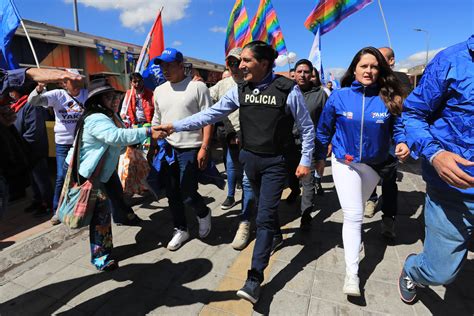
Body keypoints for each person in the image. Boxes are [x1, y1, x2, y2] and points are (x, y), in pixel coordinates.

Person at [156, 41, 315, 304]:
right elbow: (209, 115)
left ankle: (254, 279)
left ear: (264, 64)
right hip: (248, 160)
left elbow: (307, 128)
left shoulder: (288, 90)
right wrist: (175, 126)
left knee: (262, 217)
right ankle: (273, 235)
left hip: (276, 163)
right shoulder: (240, 90)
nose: (240, 65)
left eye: (246, 61)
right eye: (240, 61)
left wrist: (306, 159)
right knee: (265, 210)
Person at [315, 47, 409, 297]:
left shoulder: (390, 97)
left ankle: (354, 239)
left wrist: (402, 143)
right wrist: (317, 157)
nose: (369, 70)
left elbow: (399, 129)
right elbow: (324, 129)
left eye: (374, 66)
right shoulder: (339, 96)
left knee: (356, 210)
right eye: (364, 65)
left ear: (381, 70)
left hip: (375, 165)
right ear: (354, 68)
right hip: (344, 162)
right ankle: (352, 275)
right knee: (354, 215)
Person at [398, 36, 474, 304]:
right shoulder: (450, 61)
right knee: (441, 271)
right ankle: (413, 270)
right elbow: (413, 114)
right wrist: (436, 154)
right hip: (453, 191)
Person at [65, 78, 163, 271]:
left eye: (115, 96)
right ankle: (101, 257)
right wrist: (149, 132)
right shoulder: (96, 118)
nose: (115, 100)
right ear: (98, 100)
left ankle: (124, 216)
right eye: (109, 97)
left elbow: (120, 137)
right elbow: (116, 137)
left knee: (117, 195)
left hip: (104, 170)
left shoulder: (109, 115)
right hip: (92, 174)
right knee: (100, 217)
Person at [150, 48, 213, 251]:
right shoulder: (159, 91)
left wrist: (204, 146)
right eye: (162, 66)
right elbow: (156, 120)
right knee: (171, 193)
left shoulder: (198, 87)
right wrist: (151, 144)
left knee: (187, 192)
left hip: (191, 148)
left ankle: (203, 213)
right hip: (167, 148)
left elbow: (208, 120)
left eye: (169, 65)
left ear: (180, 65)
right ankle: (181, 229)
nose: (165, 69)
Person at [209, 47, 255, 250]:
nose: (235, 67)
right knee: (231, 168)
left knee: (247, 180)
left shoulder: (255, 84)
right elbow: (206, 102)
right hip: (230, 138)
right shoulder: (223, 85)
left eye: (238, 62)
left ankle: (246, 220)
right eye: (231, 63)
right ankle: (230, 197)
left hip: (252, 142)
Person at [28, 69, 87, 224]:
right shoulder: (57, 95)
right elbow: (32, 101)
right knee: (61, 176)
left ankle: (79, 206)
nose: (74, 83)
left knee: (81, 175)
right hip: (63, 144)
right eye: (70, 80)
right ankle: (57, 210)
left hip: (82, 142)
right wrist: (39, 88)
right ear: (64, 82)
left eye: (76, 80)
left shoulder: (86, 94)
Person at [364, 47, 412, 234]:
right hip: (370, 139)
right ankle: (371, 199)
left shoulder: (401, 79)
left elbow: (406, 108)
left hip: (392, 139)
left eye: (381, 59)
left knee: (389, 180)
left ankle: (388, 218)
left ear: (391, 61)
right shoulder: (369, 79)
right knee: (366, 175)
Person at [293, 59, 328, 230]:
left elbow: (327, 121)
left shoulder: (320, 94)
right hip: (288, 145)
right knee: (289, 177)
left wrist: (326, 144)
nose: (302, 75)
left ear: (311, 74)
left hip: (310, 146)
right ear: (294, 73)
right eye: (299, 71)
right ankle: (293, 191)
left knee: (307, 183)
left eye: (306, 71)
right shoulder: (288, 92)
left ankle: (305, 215)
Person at [9, 83, 53, 215]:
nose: (11, 93)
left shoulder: (32, 105)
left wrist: (21, 145)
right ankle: (38, 200)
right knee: (33, 178)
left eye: (12, 91)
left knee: (41, 178)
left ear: (20, 91)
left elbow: (34, 131)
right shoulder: (19, 105)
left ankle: (48, 204)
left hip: (34, 149)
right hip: (24, 149)